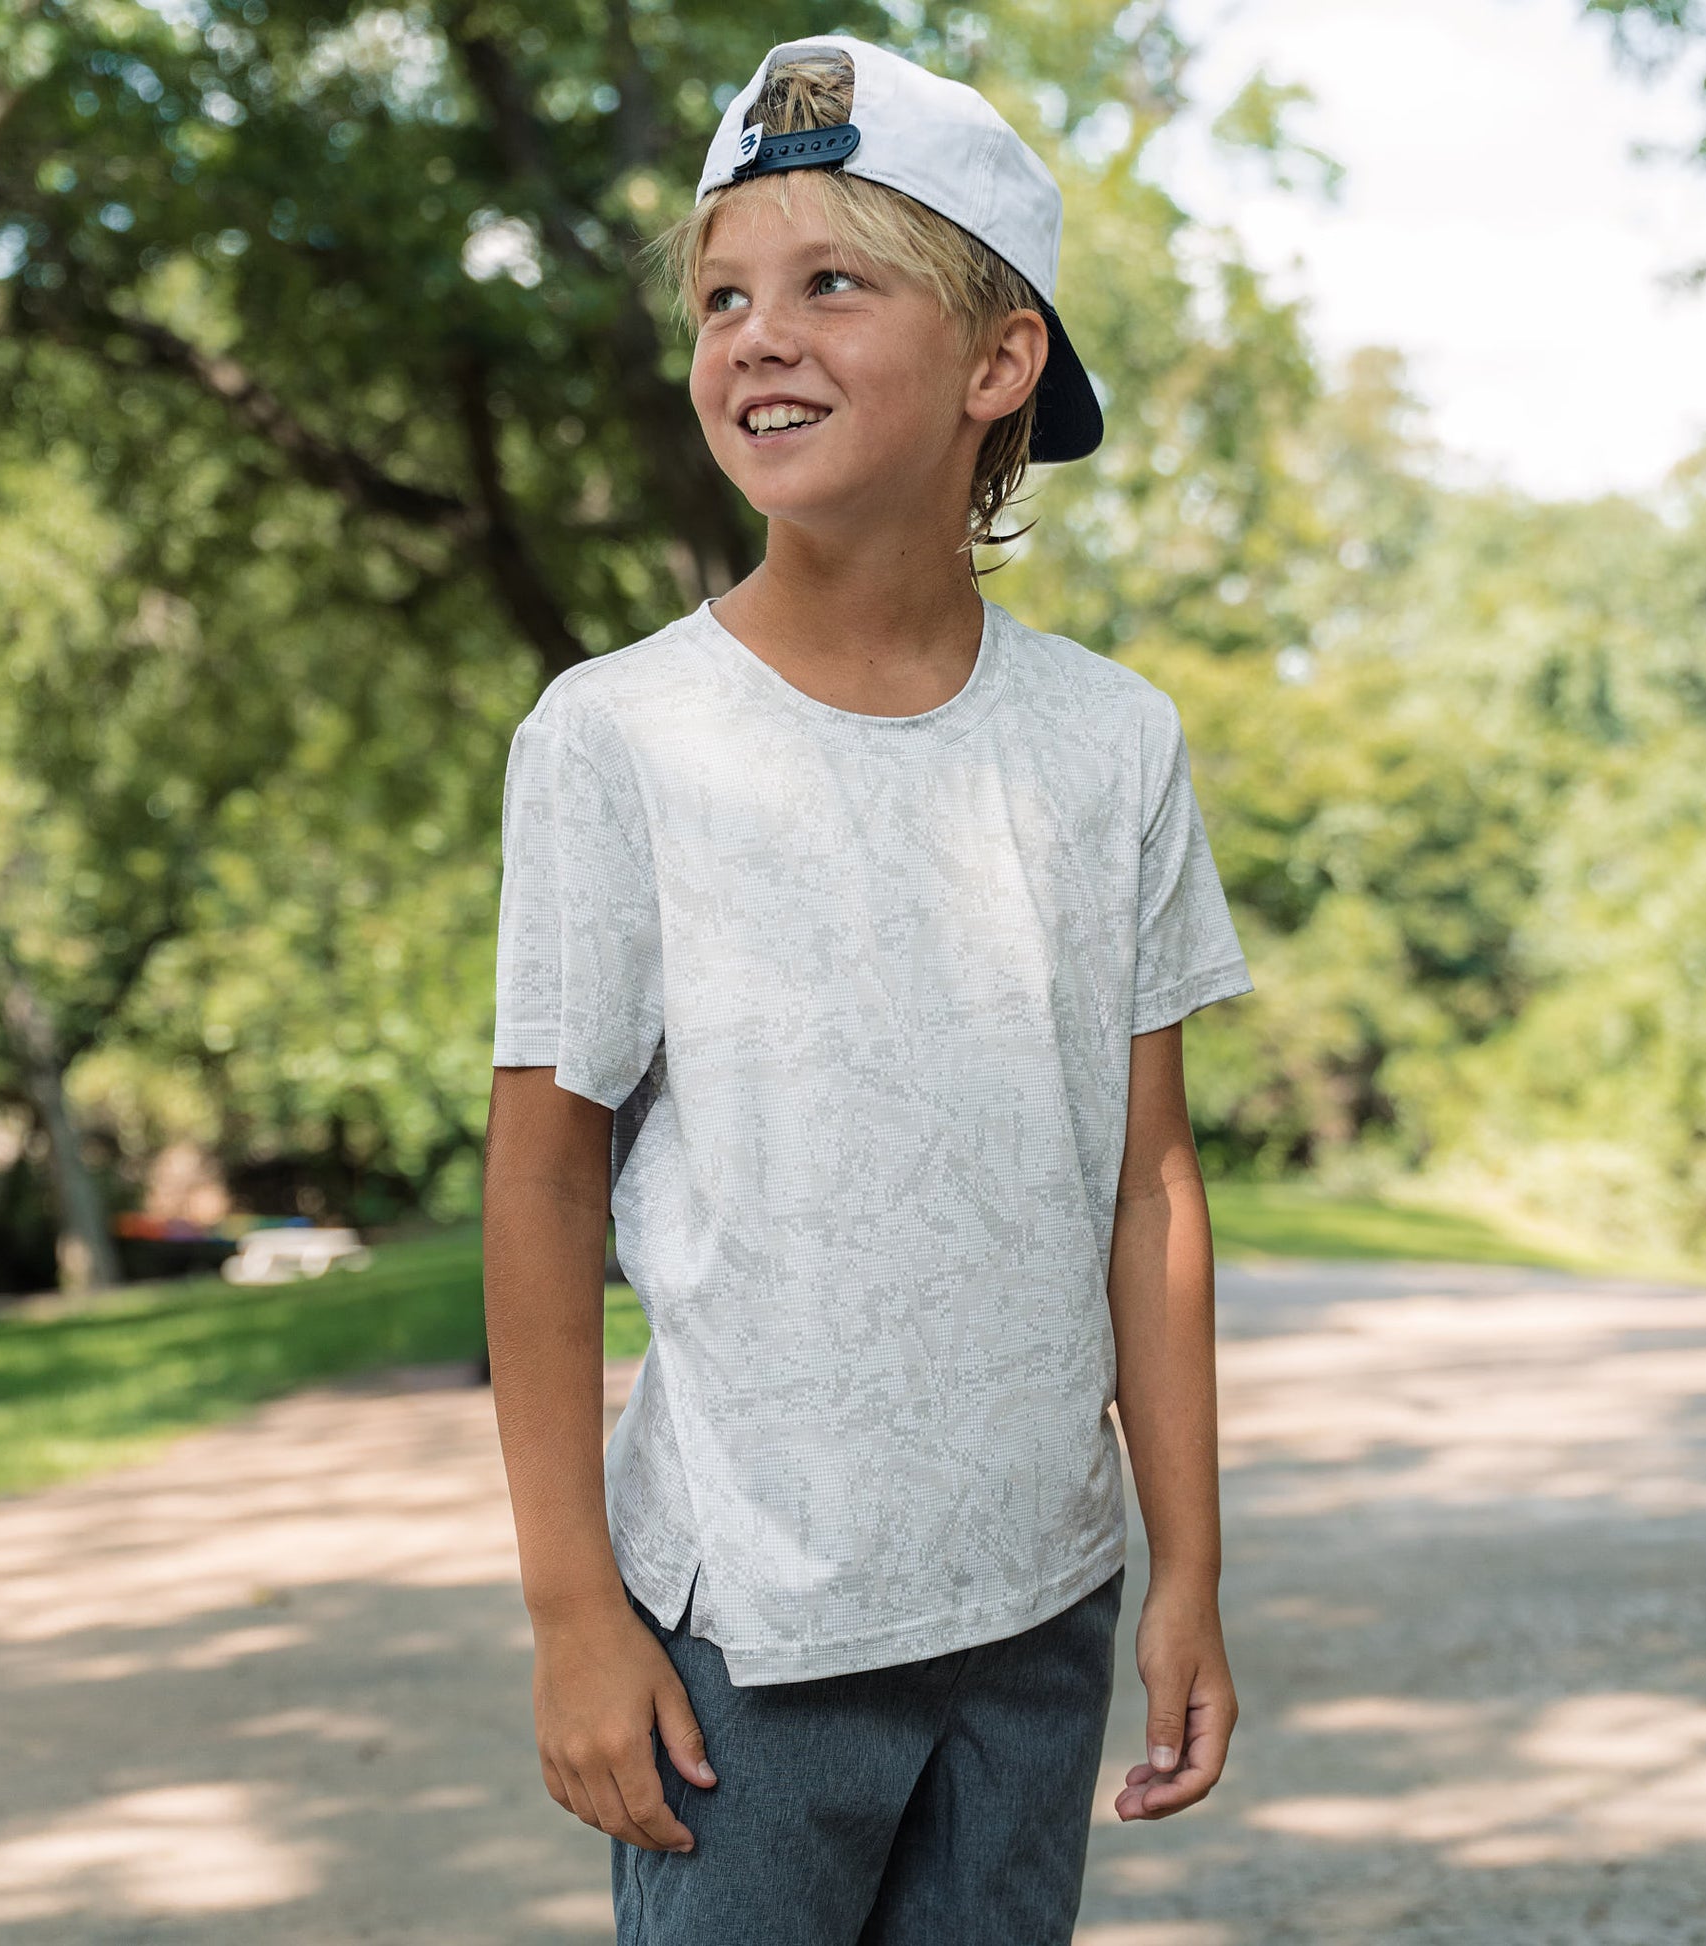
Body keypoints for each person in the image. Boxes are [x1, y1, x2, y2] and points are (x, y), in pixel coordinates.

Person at [482, 32, 1254, 1945]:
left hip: (1038, 1612)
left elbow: (1149, 1183)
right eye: (723, 295)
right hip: (746, 1641)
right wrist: (577, 1611)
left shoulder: (1112, 742)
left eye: (835, 282)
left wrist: (1185, 1570)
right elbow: (544, 1176)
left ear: (1000, 363)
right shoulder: (617, 738)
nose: (759, 334)